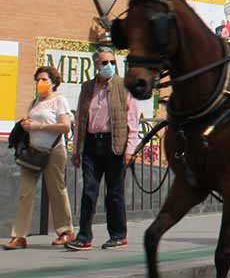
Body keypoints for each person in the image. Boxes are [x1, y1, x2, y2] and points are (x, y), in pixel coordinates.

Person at [65, 47, 139, 251]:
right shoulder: (87, 87)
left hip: (114, 145)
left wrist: (129, 150)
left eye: (112, 63)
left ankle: (118, 235)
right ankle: (84, 237)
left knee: (114, 193)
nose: (109, 66)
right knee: (89, 191)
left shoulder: (123, 87)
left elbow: (132, 122)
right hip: (91, 145)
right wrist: (76, 150)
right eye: (104, 62)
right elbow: (80, 120)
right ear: (96, 64)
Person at [6, 67, 74, 250]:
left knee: (56, 189)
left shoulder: (59, 101)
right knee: (25, 193)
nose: (40, 83)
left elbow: (65, 126)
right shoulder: (34, 102)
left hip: (54, 151)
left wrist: (38, 126)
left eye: (44, 79)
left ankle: (65, 230)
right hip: (33, 152)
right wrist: (25, 125)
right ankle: (19, 236)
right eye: (38, 80)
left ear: (53, 82)